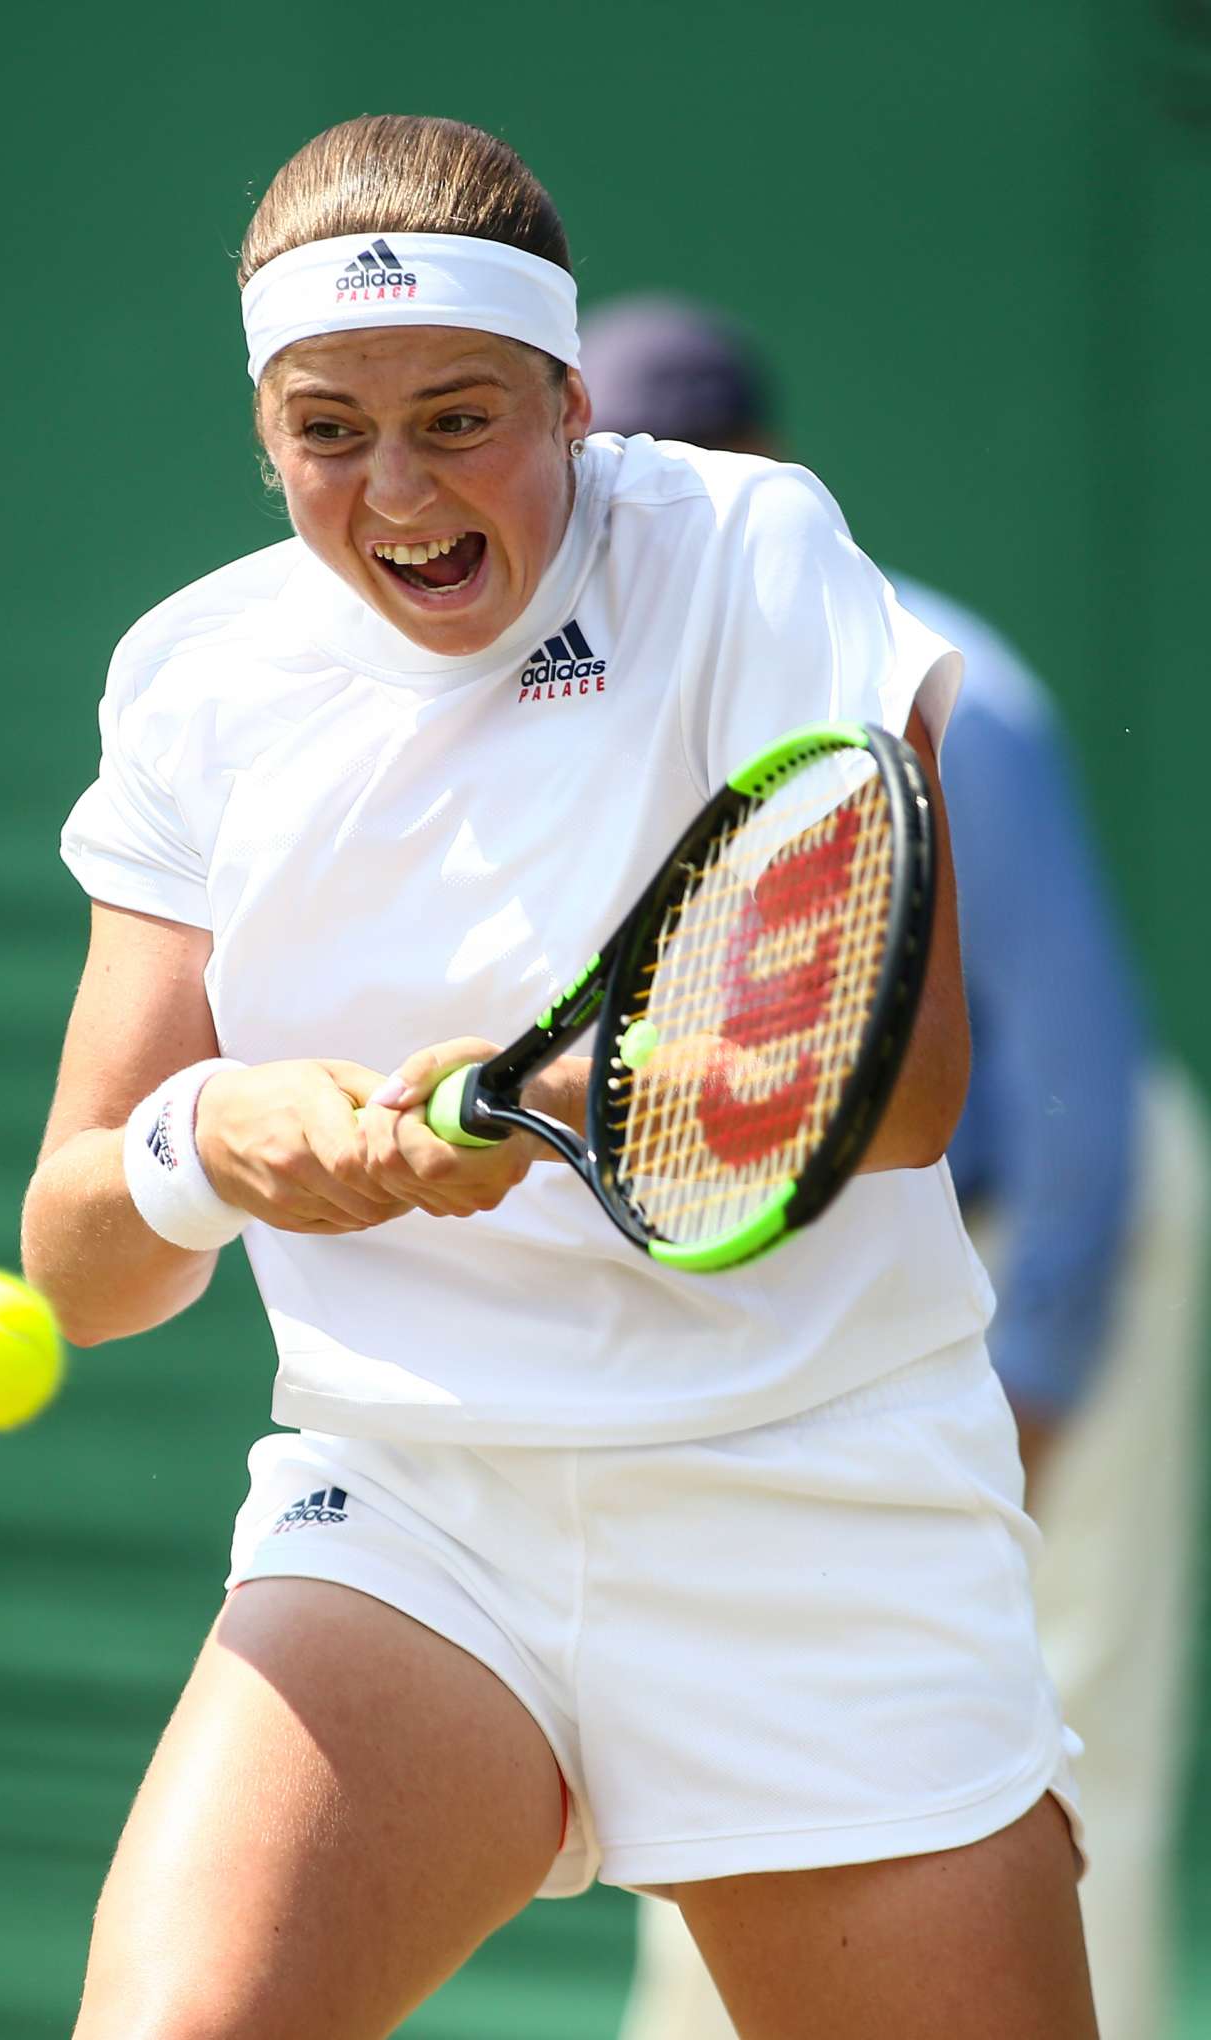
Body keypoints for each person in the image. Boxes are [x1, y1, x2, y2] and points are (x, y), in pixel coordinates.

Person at [22, 117, 1099, 2040]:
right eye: (327, 430)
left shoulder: (742, 548)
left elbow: (900, 1080)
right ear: (265, 434)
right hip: (415, 1520)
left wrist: (515, 1102)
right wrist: (214, 1144)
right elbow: (83, 1264)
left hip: (806, 1497)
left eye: (460, 417)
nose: (397, 488)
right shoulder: (195, 679)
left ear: (571, 403)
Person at [581, 297, 1208, 2040]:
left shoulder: (941, 687)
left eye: (701, 476)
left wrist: (1038, 1382)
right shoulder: (626, 691)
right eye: (636, 478)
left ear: (774, 481)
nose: (666, 515)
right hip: (839, 1246)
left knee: (1051, 1714)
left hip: (1061, 1224)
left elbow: (1073, 1075)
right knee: (735, 1713)